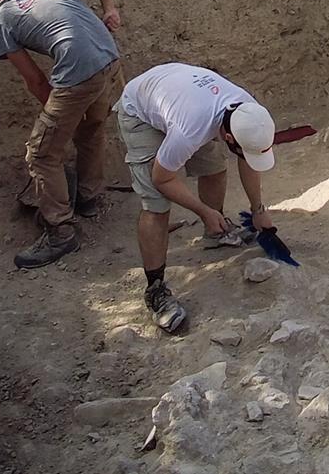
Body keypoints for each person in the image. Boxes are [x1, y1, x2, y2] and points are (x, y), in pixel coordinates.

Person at [0, 0, 125, 269]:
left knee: (42, 153)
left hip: (79, 74)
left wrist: (57, 117)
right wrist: (109, 9)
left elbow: (36, 81)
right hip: (109, 58)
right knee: (91, 131)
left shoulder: (1, 22)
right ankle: (88, 198)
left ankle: (60, 231)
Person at [112, 63, 279, 335]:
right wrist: (203, 211)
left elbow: (247, 158)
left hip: (179, 94)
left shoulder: (250, 112)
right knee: (156, 205)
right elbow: (162, 178)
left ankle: (216, 234)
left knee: (214, 167)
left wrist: (258, 209)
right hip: (139, 108)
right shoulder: (191, 129)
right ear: (228, 136)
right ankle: (155, 290)